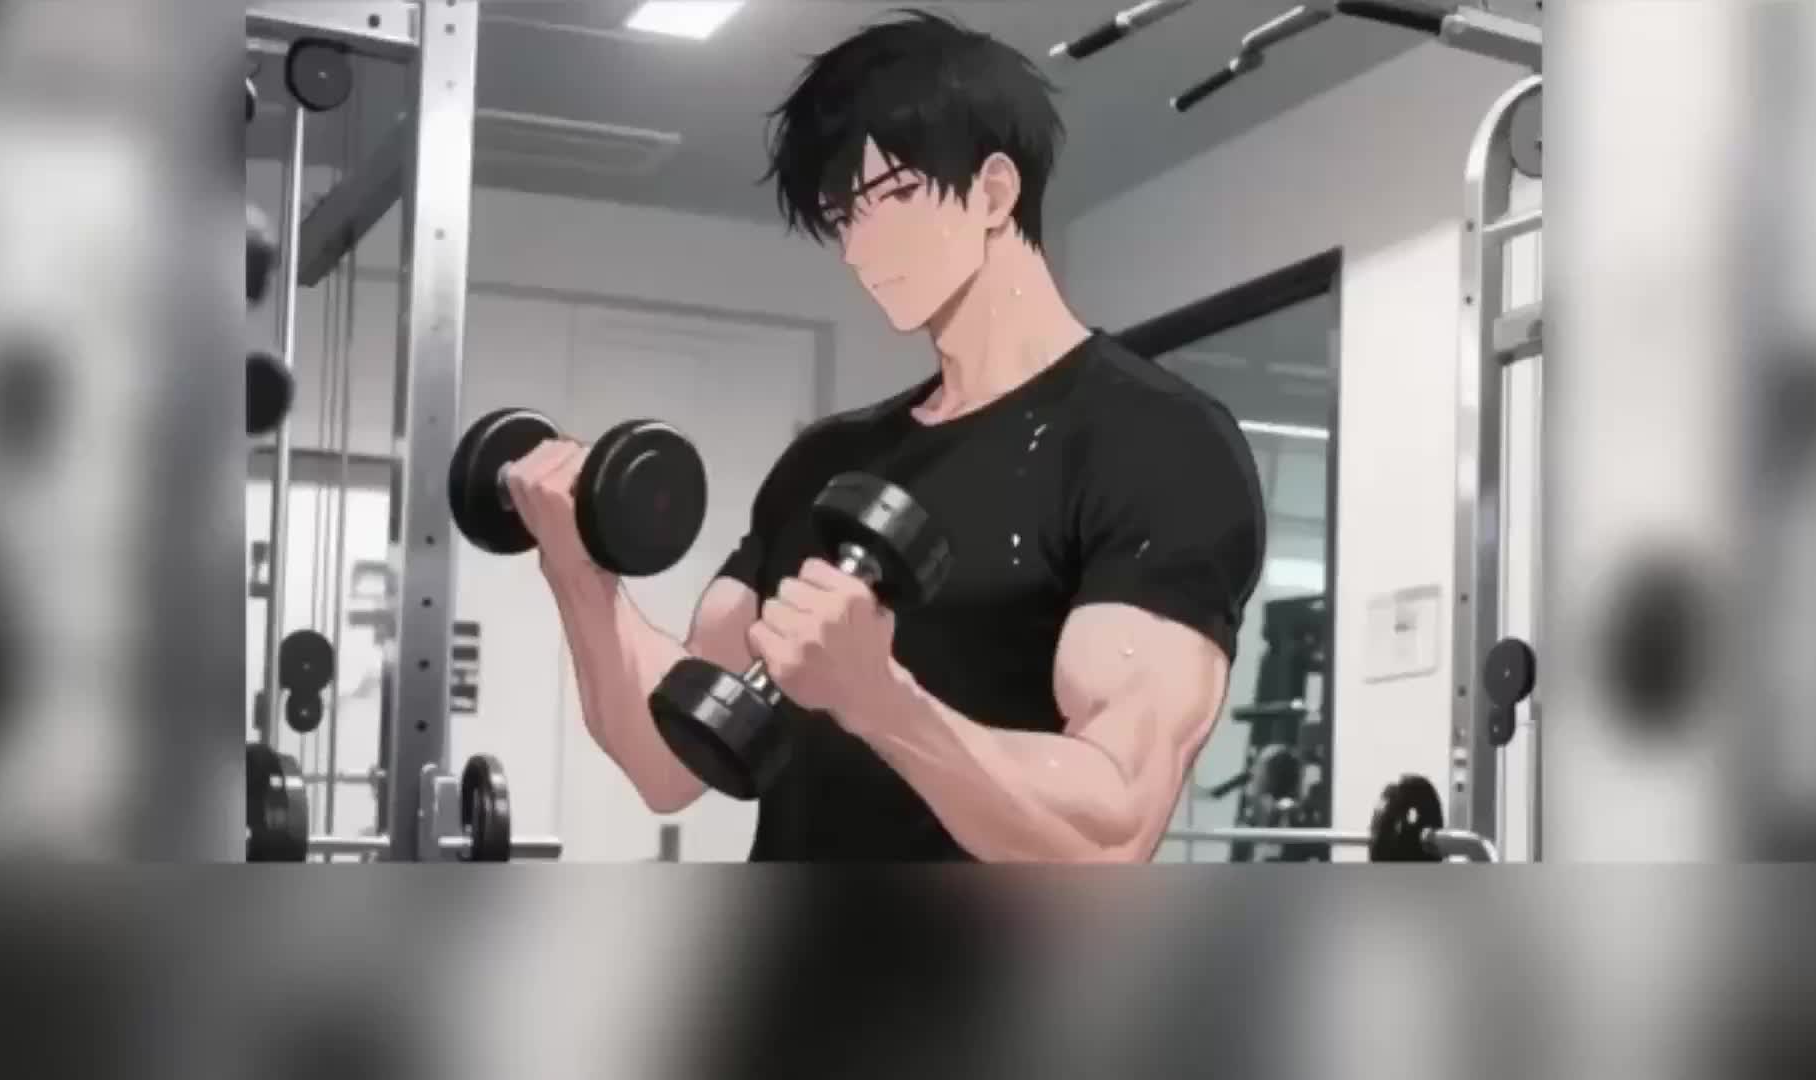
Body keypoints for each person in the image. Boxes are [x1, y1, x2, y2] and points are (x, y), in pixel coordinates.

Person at [503, 10, 1265, 862]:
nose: (860, 249)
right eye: (843, 217)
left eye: (894, 196)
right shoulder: (826, 463)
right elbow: (670, 763)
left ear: (994, 192)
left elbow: (1114, 825)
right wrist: (579, 572)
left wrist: (882, 702)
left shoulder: (1158, 444)